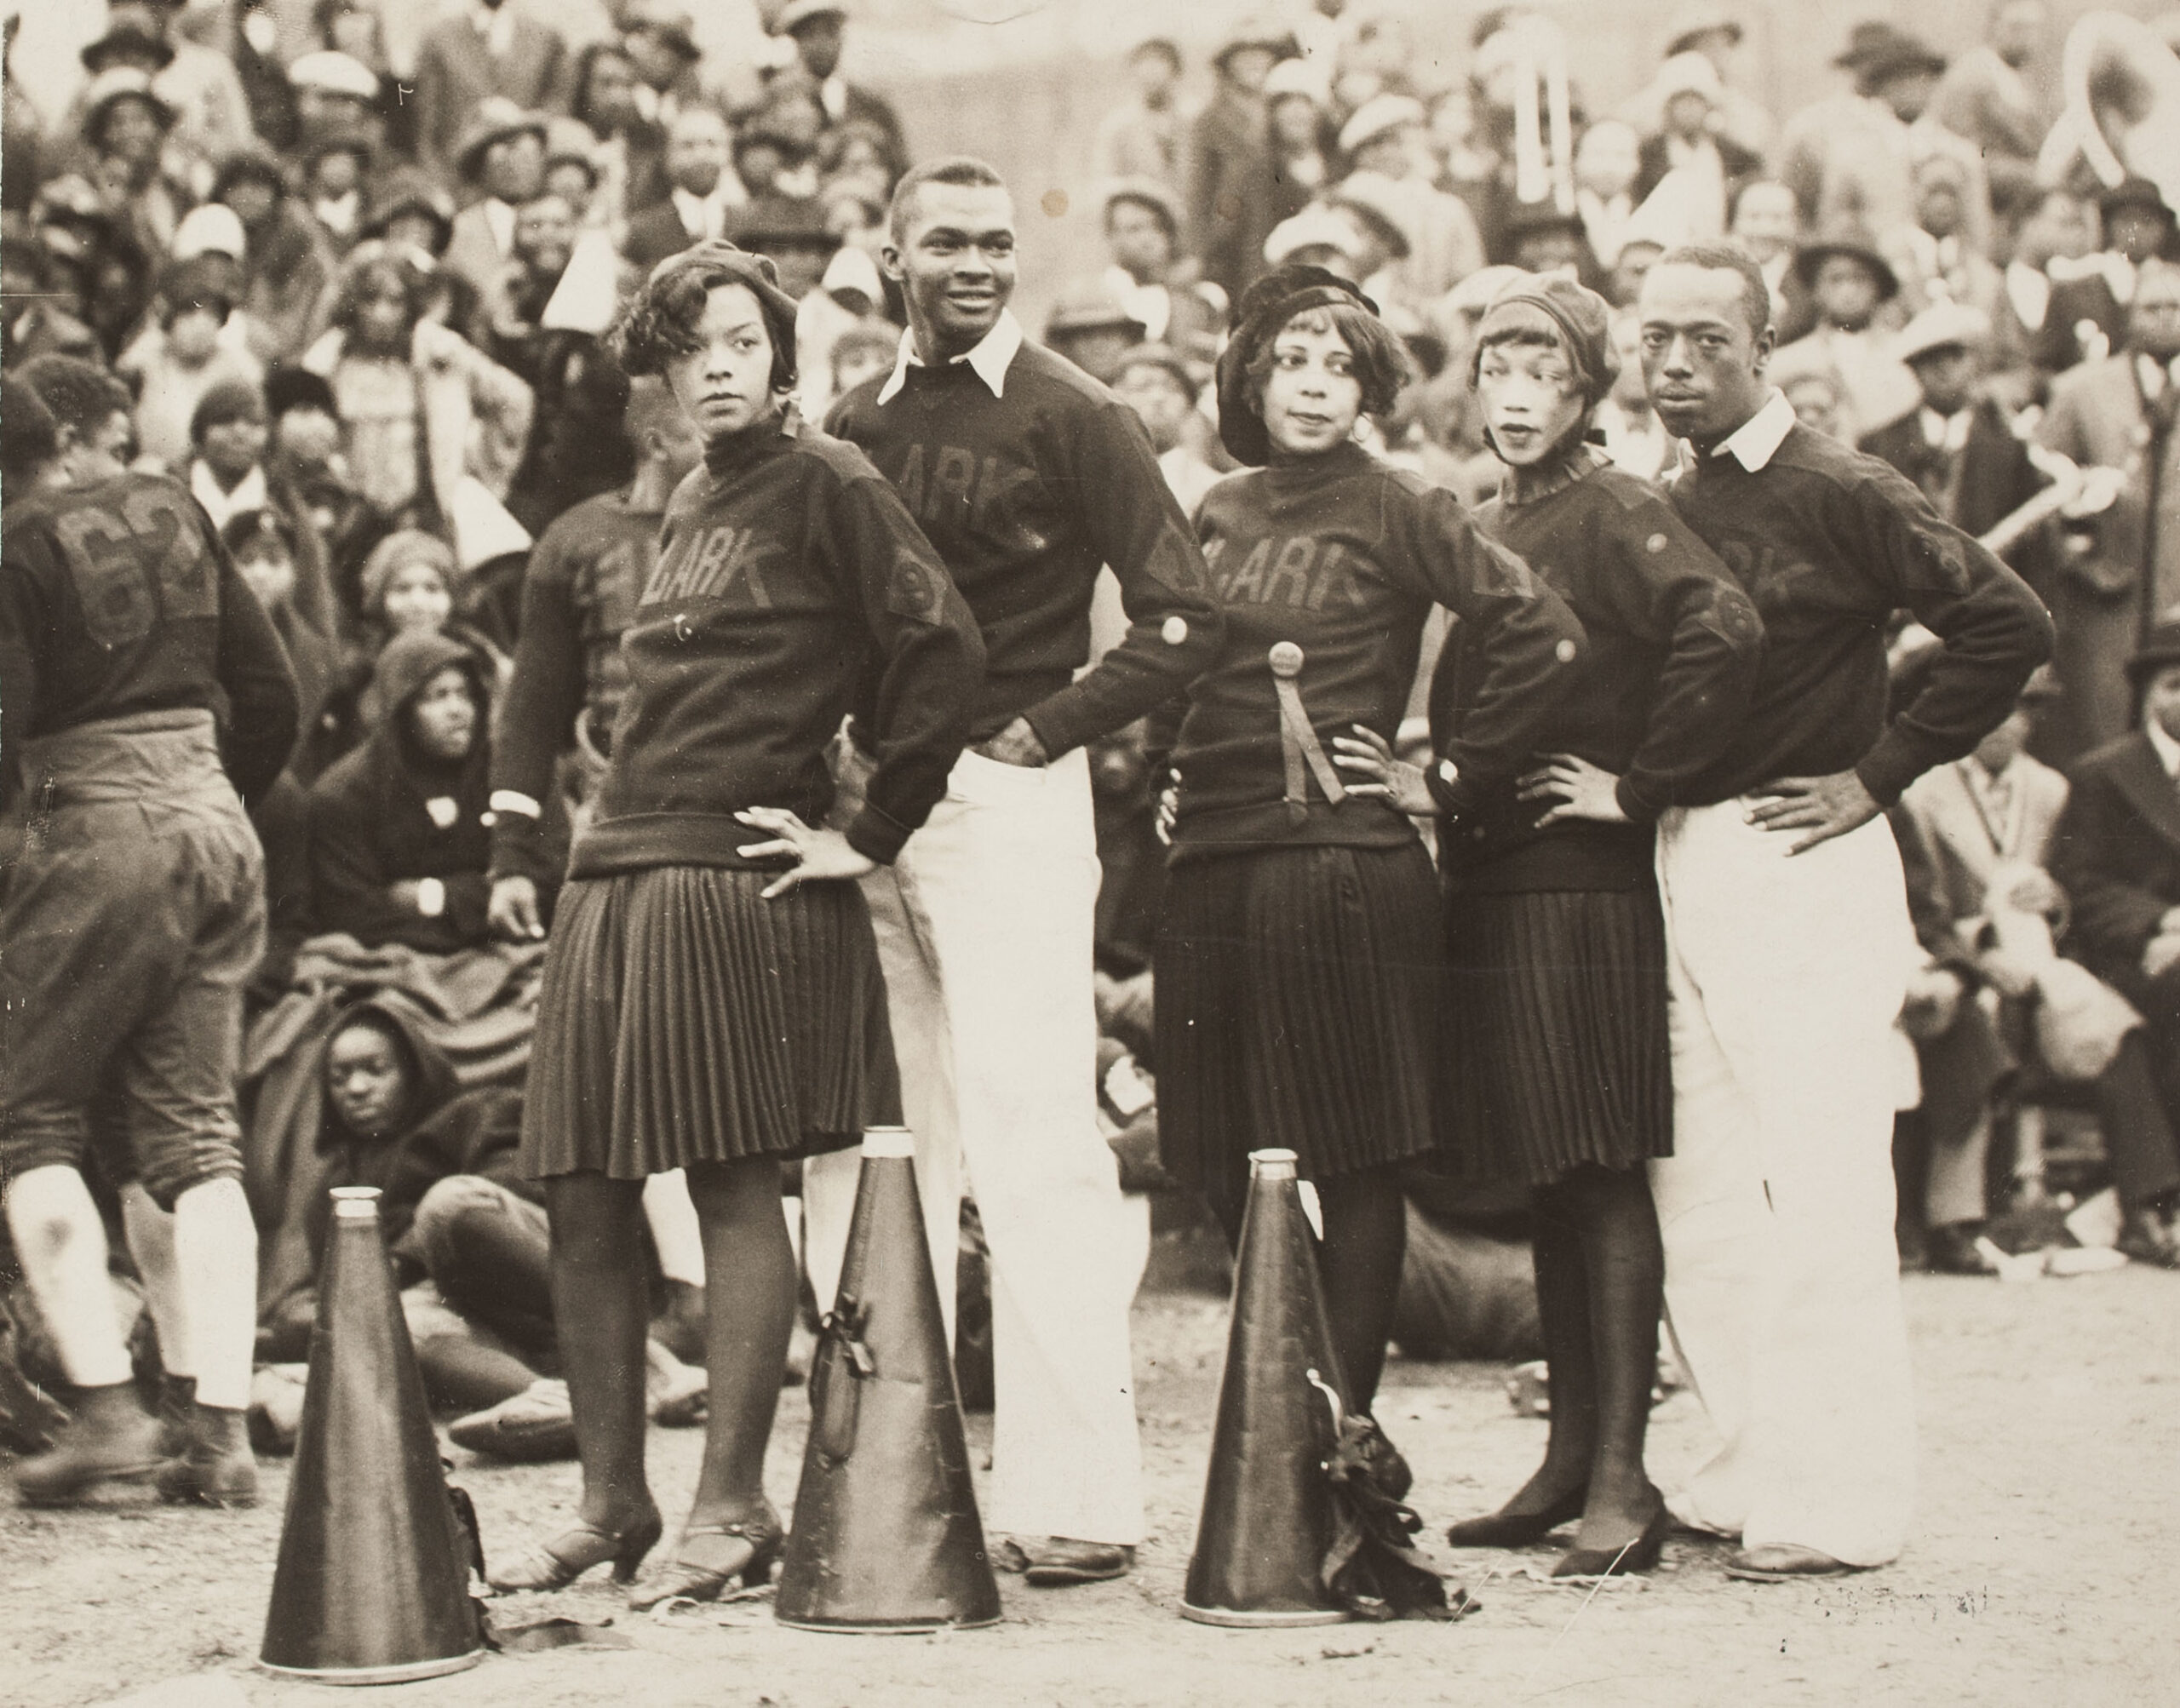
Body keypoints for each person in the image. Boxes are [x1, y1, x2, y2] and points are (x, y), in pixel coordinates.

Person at [486, 243, 983, 1601]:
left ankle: (730, 1505)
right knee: (582, 1188)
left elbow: (944, 648)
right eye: (693, 347)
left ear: (782, 358)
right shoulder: (695, 492)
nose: (718, 367)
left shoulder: (829, 479)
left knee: (726, 1184)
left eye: (742, 343)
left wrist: (865, 832)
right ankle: (610, 1502)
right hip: (616, 867)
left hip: (731, 871)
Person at [818, 157, 1225, 1586]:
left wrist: (1044, 731)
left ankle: (1083, 1497)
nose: (978, 261)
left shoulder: (1078, 410)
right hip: (877, 804)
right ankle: (886, 1482)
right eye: (948, 242)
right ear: (894, 254)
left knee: (1036, 1139)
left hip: (1008, 800)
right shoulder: (855, 417)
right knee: (886, 1135)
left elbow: (1185, 617)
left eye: (998, 241)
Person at [1634, 242, 2052, 1579]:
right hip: (1685, 852)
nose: (1677, 364)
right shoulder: (1664, 496)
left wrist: (1878, 776)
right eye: (1657, 341)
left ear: (1763, 346)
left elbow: (2009, 622)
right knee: (1698, 1183)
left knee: (1817, 1183)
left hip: (1804, 858)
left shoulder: (1841, 483)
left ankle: (1839, 1499)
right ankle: (1747, 1465)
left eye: (1707, 339)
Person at [1155, 265, 1584, 1431]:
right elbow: (1189, 660)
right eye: (1291, 361)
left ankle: (1336, 1433)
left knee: (1355, 1156)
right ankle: (1275, 1413)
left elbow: (1541, 631)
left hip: (1337, 860)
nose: (1312, 386)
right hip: (1217, 854)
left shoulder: (1404, 503)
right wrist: (1176, 768)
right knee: (1229, 1158)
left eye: (1339, 365)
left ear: (1372, 388)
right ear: (1251, 376)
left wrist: (1442, 772)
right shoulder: (1224, 508)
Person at [1415, 276, 1759, 1578]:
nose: (1513, 396)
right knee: (1553, 1170)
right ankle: (1568, 1457)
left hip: (1581, 880)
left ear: (1583, 390)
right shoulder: (1499, 512)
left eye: (1541, 373)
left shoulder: (1615, 506)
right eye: (1495, 369)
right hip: (1505, 873)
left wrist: (1645, 785)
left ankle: (1623, 1475)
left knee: (1600, 1165)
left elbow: (1720, 626)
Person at [0, 373, 300, 1508]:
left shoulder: (12, 546)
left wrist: (46, 838)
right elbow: (275, 695)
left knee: (27, 1118)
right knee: (196, 1138)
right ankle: (214, 1427)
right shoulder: (174, 502)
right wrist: (207, 799)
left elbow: (3, 742)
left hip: (88, 827)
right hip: (216, 816)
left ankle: (106, 1411)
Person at [488, 375, 704, 937]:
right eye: (704, 429)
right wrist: (510, 857)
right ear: (658, 443)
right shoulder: (576, 539)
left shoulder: (753, 524)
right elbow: (532, 707)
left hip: (729, 810)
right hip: (613, 807)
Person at [2050, 620, 2180, 1266]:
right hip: (2124, 956)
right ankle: (2155, 1206)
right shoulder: (2106, 775)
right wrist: (2161, 925)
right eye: (2176, 685)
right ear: (2151, 695)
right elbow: (2082, 883)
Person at [2035, 256, 2180, 764]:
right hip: (2106, 604)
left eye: (2175, 307)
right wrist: (2081, 553)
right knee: (2103, 739)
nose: (2164, 318)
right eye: (2151, 307)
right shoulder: (2082, 389)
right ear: (2131, 315)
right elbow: (2042, 482)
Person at [307, 630, 497, 956]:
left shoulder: (500, 773)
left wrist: (432, 895)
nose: (458, 710)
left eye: (465, 694)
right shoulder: (342, 794)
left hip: (503, 951)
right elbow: (355, 916)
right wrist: (481, 901)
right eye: (436, 697)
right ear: (402, 708)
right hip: (394, 959)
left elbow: (543, 879)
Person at [1768, 223, 1919, 445]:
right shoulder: (1789, 360)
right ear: (1816, 290)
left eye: (1859, 280)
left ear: (1878, 288)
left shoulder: (1903, 357)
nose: (1848, 292)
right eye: (1836, 279)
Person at [1187, 21, 1290, 306]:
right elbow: (1198, 190)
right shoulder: (1210, 120)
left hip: (1278, 217)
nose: (1255, 62)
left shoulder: (1284, 109)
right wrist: (1200, 247)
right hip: (1231, 231)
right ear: (1228, 64)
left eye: (1263, 55)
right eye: (1244, 56)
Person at [412, 0, 568, 180]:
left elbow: (557, 114)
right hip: (462, 183)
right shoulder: (438, 40)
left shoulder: (547, 39)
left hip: (531, 182)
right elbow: (426, 134)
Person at [1930, 0, 2051, 228]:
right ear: (1994, 26)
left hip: (2022, 203)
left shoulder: (2022, 79)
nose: (2026, 38)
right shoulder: (1972, 77)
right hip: (1988, 212)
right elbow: (1965, 155)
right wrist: (2035, 176)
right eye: (2017, 28)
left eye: (2033, 29)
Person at [775, 0, 908, 189]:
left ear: (841, 38)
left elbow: (899, 169)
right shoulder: (779, 104)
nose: (820, 44)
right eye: (810, 35)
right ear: (797, 42)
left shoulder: (873, 105)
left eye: (829, 33)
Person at [622, 106, 743, 272]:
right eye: (688, 146)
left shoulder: (749, 222)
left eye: (712, 144)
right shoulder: (642, 230)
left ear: (729, 153)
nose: (701, 155)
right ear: (668, 156)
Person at [1093, 37, 1188, 190]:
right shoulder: (1117, 127)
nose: (1152, 70)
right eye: (1144, 62)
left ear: (1175, 70)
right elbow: (1106, 186)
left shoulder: (1195, 121)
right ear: (1134, 71)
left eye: (1161, 60)